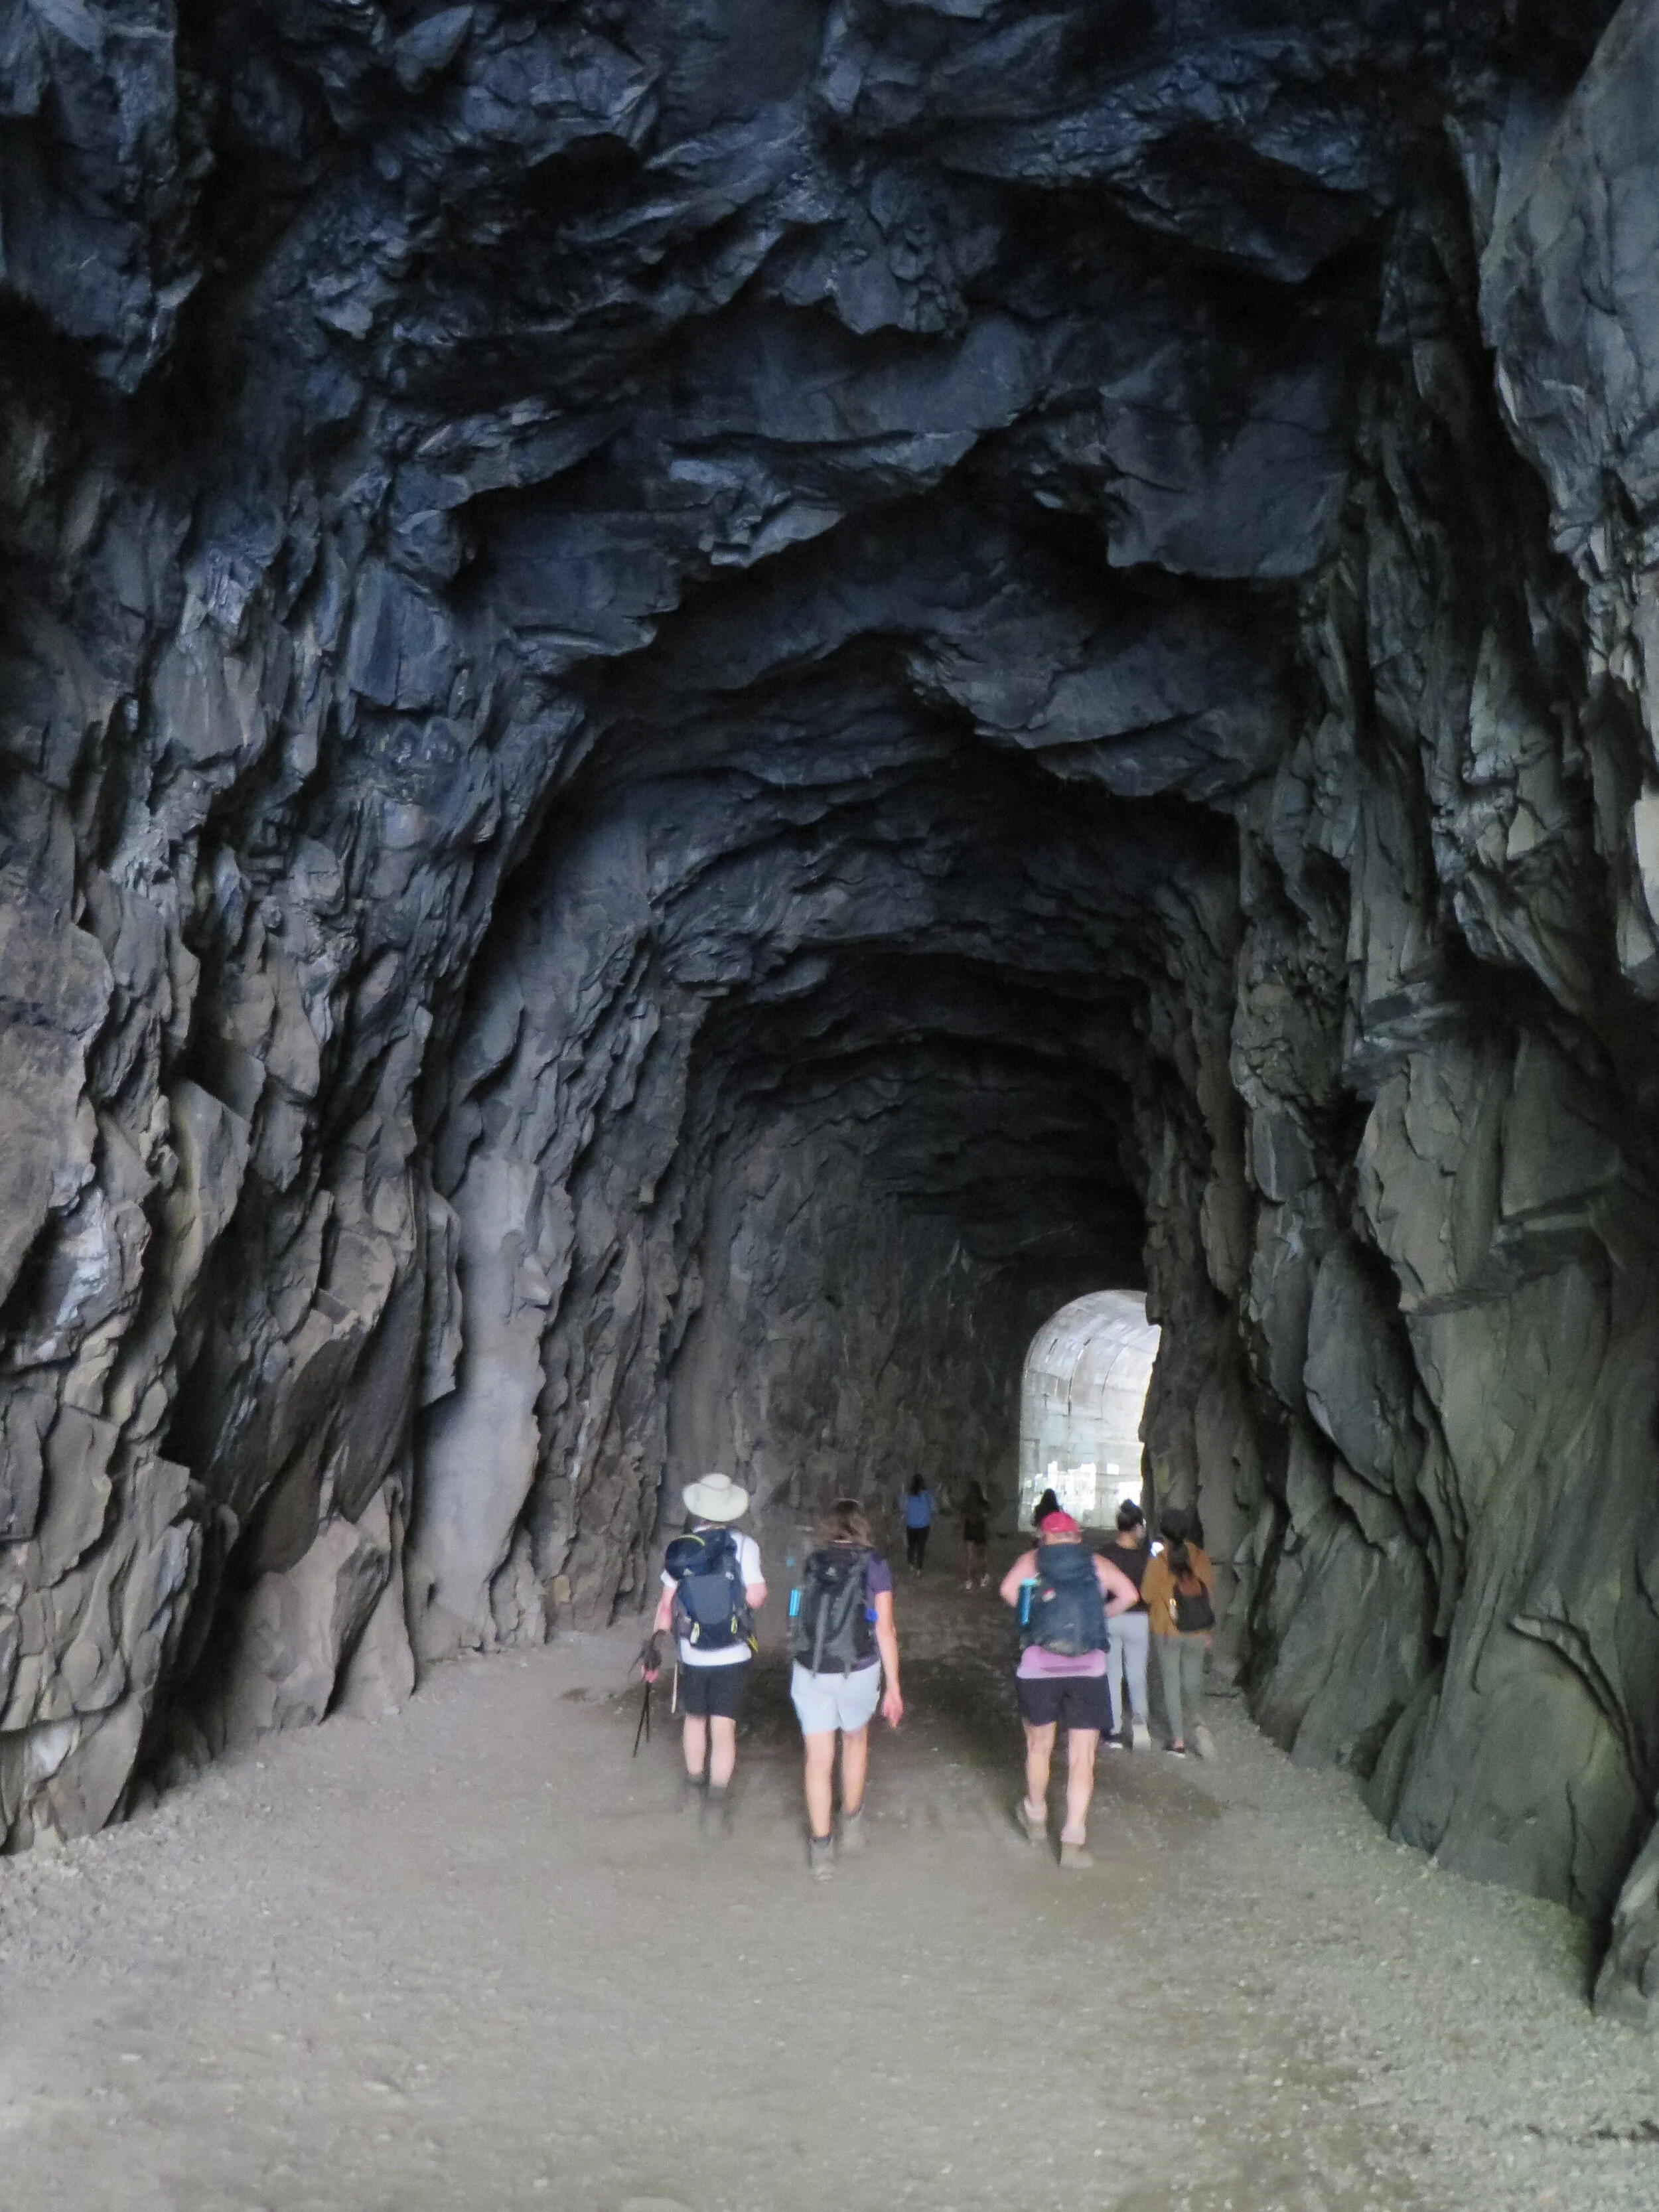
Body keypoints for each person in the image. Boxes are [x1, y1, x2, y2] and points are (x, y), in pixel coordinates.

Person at [999, 1509, 1139, 1868]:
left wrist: (1034, 1616)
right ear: (1077, 1536)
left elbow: (1007, 1590)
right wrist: (1098, 1617)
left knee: (1039, 1747)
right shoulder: (1095, 1562)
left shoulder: (1033, 1559)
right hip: (1088, 1669)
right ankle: (1073, 1841)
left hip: (1038, 1667)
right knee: (1083, 1758)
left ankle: (1035, 1814)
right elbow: (1129, 1595)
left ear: (1045, 1536)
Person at [644, 1473, 766, 1830]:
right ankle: (716, 1802)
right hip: (734, 1654)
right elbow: (756, 1597)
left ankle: (693, 1787)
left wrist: (654, 1650)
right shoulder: (745, 1546)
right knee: (723, 1727)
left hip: (693, 1654)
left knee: (694, 1721)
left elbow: (666, 1607)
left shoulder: (682, 1549)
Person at [789, 1499, 904, 1880]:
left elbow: (796, 1614)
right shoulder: (875, 1565)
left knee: (817, 1759)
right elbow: (885, 1629)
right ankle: (851, 1824)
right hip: (858, 1669)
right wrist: (893, 1687)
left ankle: (821, 1849)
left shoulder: (813, 1561)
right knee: (854, 1742)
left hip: (812, 1668)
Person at [1141, 1506, 1216, 1758]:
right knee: (1193, 1681)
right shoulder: (1200, 1557)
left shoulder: (1158, 1560)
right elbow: (1207, 1595)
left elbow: (1146, 1595)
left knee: (1171, 1684)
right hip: (1197, 1630)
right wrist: (1207, 1630)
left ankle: (1179, 1743)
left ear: (1163, 1531)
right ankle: (1199, 1722)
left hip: (1167, 1631)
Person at [1102, 1499, 1152, 1751]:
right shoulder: (1146, 1557)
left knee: (1112, 1675)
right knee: (1136, 1674)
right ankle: (1140, 1724)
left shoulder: (1105, 1553)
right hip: (1139, 1619)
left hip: (1110, 1616)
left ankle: (1113, 1731)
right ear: (1137, 1528)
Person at [901, 1475, 935, 1573]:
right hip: (924, 1525)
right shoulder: (928, 1495)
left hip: (911, 1525)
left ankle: (911, 1565)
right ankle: (919, 1569)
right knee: (921, 1547)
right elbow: (933, 1508)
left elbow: (903, 1508)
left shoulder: (908, 1495)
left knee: (911, 1546)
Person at [961, 1481, 991, 1589]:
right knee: (981, 1557)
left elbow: (962, 1517)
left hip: (969, 1532)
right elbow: (987, 1516)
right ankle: (983, 1578)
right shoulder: (983, 1504)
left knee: (970, 1558)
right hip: (980, 1532)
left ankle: (969, 1581)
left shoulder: (966, 1504)